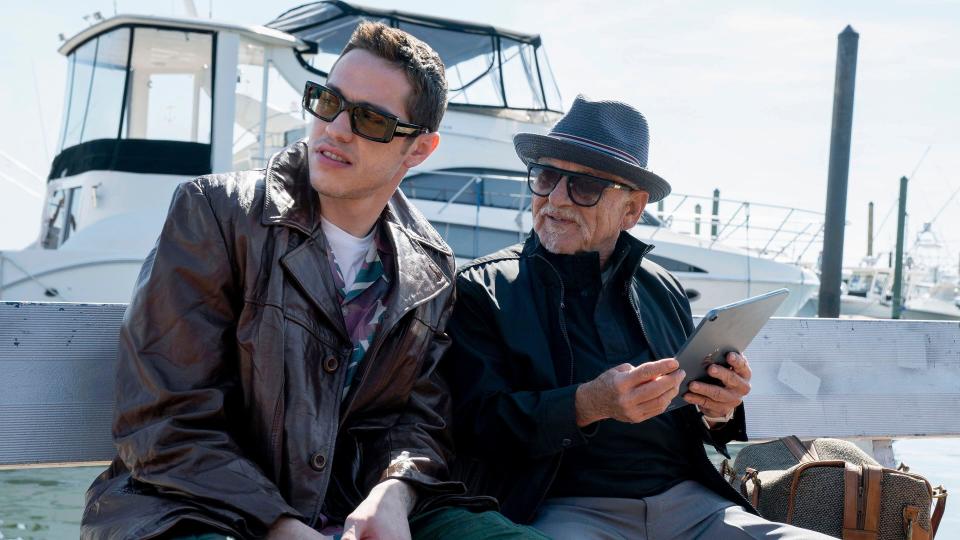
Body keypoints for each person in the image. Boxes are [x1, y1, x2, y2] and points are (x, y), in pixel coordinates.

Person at [82, 22, 470, 540]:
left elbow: (419, 421)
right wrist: (281, 526)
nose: (335, 128)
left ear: (419, 150)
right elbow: (165, 417)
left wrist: (394, 494)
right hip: (191, 512)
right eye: (327, 101)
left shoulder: (431, 268)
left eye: (371, 120)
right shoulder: (216, 214)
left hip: (350, 513)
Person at [442, 96, 832, 539]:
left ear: (632, 208)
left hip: (695, 505)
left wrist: (720, 409)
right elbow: (473, 426)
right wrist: (588, 404)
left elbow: (694, 420)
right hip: (564, 507)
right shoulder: (481, 288)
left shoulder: (662, 287)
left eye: (583, 186)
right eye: (547, 176)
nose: (555, 199)